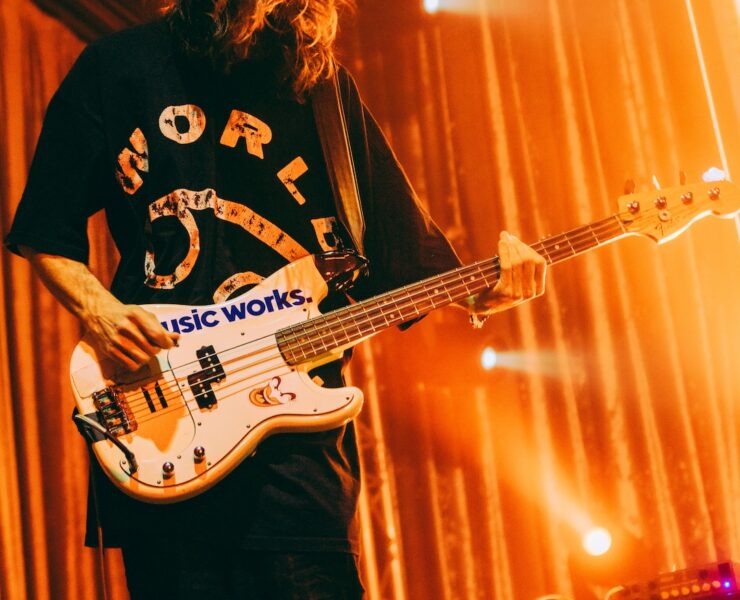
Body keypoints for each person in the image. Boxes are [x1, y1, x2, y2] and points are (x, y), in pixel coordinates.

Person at [5, 0, 547, 597]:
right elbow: (44, 229)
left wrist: (483, 292)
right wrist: (100, 312)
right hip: (161, 429)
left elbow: (404, 255)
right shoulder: (118, 66)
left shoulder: (323, 90)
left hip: (295, 468)